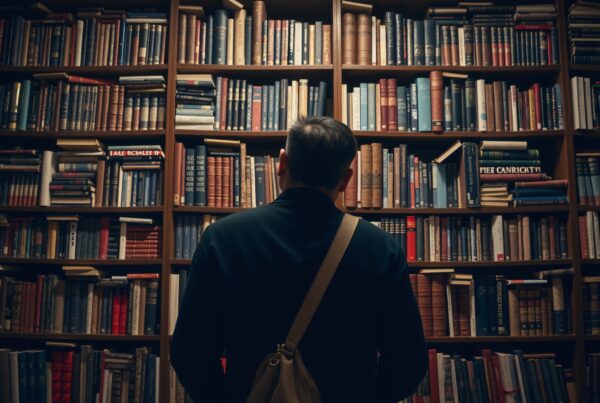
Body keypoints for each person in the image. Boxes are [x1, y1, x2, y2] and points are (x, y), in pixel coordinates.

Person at [171, 116, 428, 403]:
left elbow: (188, 353)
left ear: (282, 164)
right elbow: (409, 363)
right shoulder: (382, 249)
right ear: (346, 180)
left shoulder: (221, 239)